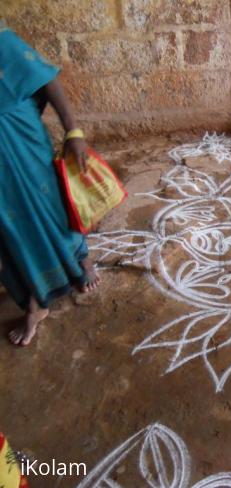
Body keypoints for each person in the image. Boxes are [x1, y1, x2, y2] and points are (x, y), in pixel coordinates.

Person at [0, 22, 100, 346]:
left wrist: (74, 133)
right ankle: (35, 300)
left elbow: (47, 80)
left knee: (50, 206)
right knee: (9, 229)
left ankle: (80, 258)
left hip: (22, 142)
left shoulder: (3, 41)